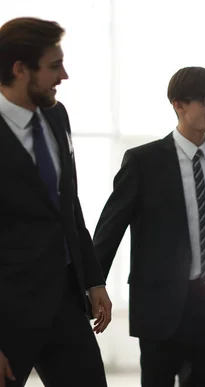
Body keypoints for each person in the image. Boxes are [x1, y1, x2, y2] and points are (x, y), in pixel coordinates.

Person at [93, 67, 205, 387]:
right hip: (160, 305)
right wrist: (93, 284)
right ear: (179, 105)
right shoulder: (143, 161)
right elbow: (111, 226)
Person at [0, 17, 111, 387]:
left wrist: (94, 280)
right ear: (19, 69)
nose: (64, 76)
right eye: (53, 66)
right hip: (8, 312)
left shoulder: (55, 115)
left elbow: (68, 204)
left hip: (65, 300)